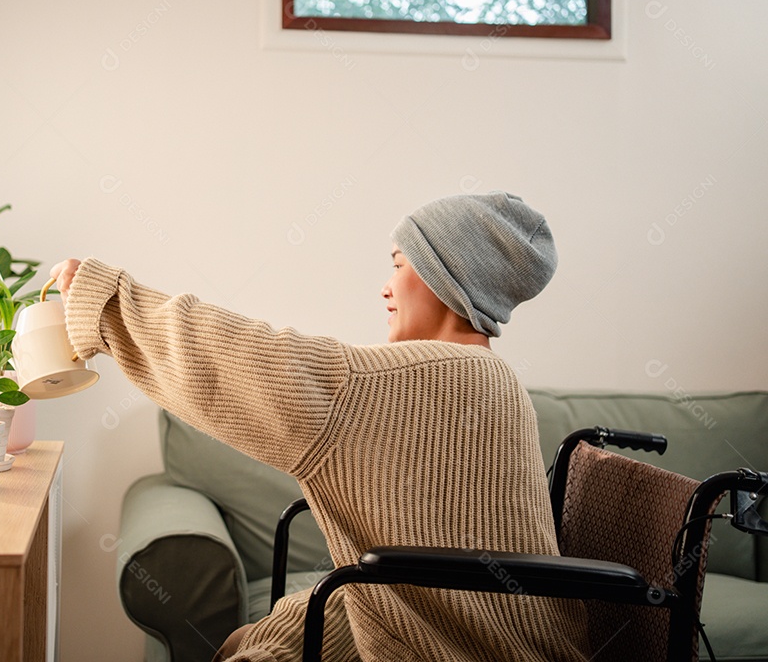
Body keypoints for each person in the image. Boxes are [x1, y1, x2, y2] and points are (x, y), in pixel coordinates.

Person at [50, 191, 590, 662]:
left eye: (399, 264)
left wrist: (107, 300)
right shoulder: (495, 381)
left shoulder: (412, 383)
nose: (385, 288)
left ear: (445, 276)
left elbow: (245, 360)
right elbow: (410, 594)